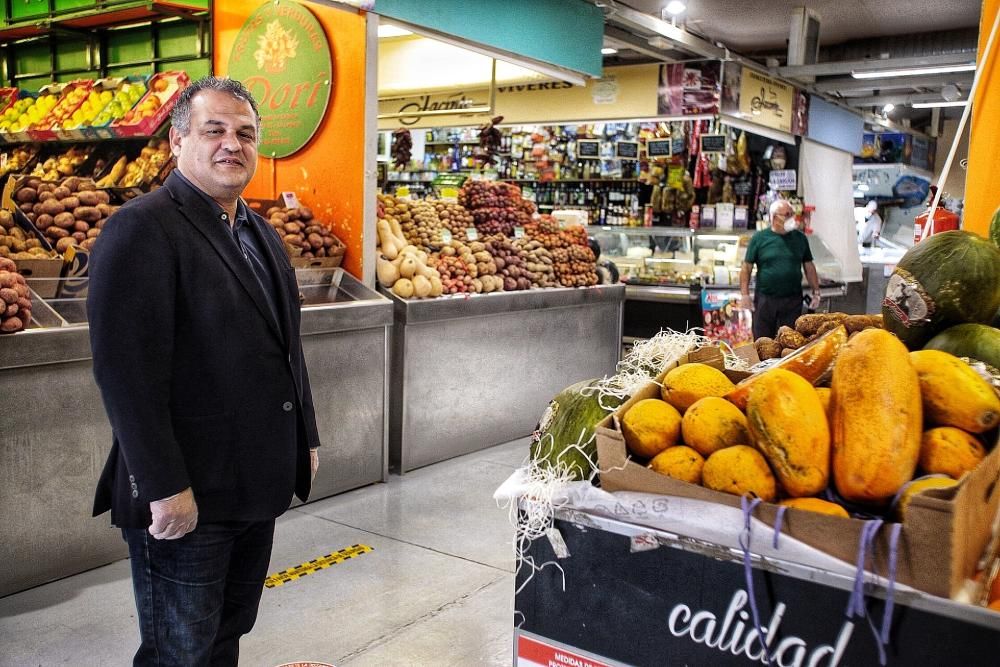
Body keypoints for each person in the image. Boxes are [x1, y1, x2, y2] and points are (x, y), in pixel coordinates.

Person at [87, 76, 322, 666]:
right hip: (188, 494)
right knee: (178, 651)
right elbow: (125, 376)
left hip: (252, 486)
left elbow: (287, 345)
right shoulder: (141, 228)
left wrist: (305, 436)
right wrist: (164, 487)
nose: (231, 145)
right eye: (213, 129)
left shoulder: (258, 230)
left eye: (245, 133)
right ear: (177, 140)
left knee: (225, 635)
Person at [739, 199, 821, 340]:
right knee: (762, 340)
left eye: (791, 214)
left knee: (791, 340)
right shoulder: (759, 238)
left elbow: (809, 266)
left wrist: (816, 292)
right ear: (774, 217)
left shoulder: (800, 238)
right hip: (765, 300)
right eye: (786, 215)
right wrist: (745, 295)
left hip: (792, 300)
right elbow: (746, 268)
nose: (791, 218)